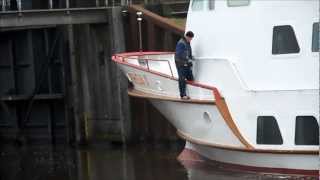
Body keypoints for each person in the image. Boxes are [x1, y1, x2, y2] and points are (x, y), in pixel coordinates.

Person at [175, 31, 194, 100]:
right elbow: (179, 54)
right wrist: (187, 59)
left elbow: (188, 52)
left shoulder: (187, 42)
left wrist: (191, 58)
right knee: (182, 79)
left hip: (186, 64)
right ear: (187, 36)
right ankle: (183, 95)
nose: (190, 40)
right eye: (190, 38)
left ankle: (191, 93)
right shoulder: (181, 43)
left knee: (190, 78)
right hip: (181, 64)